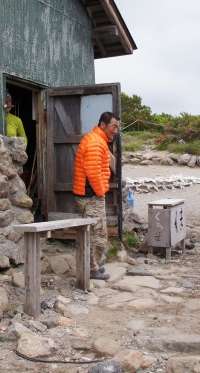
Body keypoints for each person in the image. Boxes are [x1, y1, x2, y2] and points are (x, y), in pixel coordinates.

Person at [73, 111, 120, 281]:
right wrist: (101, 192)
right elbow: (92, 172)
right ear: (103, 125)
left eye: (117, 127)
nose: (116, 130)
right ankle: (90, 269)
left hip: (90, 195)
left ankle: (92, 266)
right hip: (90, 195)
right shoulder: (95, 142)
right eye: (114, 126)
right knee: (96, 234)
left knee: (96, 233)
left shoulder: (96, 140)